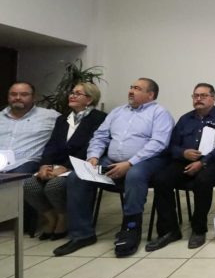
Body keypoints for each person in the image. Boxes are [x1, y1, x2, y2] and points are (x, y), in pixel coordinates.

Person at [54, 78, 174, 257]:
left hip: (146, 161)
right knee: (78, 176)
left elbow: (158, 143)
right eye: (131, 87)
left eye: (137, 88)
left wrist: (130, 163)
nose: (131, 91)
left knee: (134, 175)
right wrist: (93, 157)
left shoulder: (159, 113)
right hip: (110, 161)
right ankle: (82, 234)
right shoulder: (118, 112)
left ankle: (131, 229)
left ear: (151, 95)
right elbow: (100, 136)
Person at [146, 83, 215, 251]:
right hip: (184, 161)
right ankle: (169, 230)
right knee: (161, 179)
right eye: (195, 96)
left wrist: (202, 162)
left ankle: (198, 229)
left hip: (213, 162)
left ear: (213, 99)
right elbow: (171, 146)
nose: (198, 99)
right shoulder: (185, 119)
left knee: (203, 180)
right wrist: (183, 153)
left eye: (203, 95)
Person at [24, 83, 107, 240]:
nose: (72, 95)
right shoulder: (62, 119)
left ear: (89, 99)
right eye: (72, 92)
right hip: (56, 165)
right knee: (29, 185)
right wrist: (45, 165)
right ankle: (51, 217)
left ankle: (64, 217)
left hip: (80, 165)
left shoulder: (99, 119)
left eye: (78, 93)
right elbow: (51, 145)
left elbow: (90, 148)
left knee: (54, 186)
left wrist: (66, 167)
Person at [0, 82, 59, 174]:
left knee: (17, 176)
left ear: (34, 97)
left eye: (24, 94)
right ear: (8, 97)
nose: (18, 98)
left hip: (25, 164)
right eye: (13, 94)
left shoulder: (50, 116)